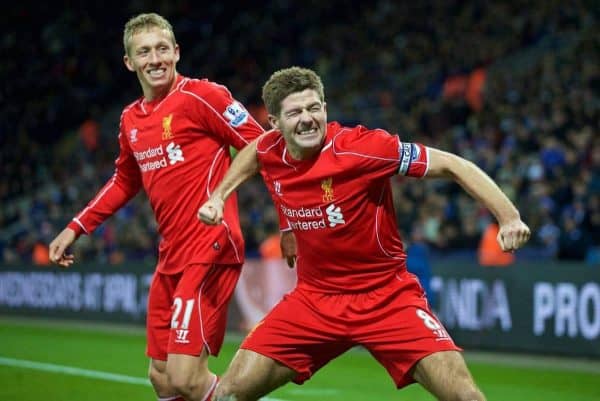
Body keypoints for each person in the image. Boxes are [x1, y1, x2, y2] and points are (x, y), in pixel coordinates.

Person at [198, 67, 531, 401]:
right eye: (295, 112)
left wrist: (509, 217)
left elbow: (452, 165)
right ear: (275, 123)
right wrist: (221, 197)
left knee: (465, 398)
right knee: (227, 394)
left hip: (386, 297)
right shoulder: (271, 149)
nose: (308, 119)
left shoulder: (363, 147)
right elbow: (254, 154)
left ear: (325, 108)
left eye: (315, 108)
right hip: (315, 301)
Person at [48, 13, 294, 401]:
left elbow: (266, 148)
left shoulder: (204, 96)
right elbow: (125, 181)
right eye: (144, 52)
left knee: (184, 377)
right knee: (161, 376)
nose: (155, 58)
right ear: (129, 62)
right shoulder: (131, 119)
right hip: (172, 255)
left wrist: (289, 222)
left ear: (177, 52)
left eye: (163, 48)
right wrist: (76, 226)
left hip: (210, 245)